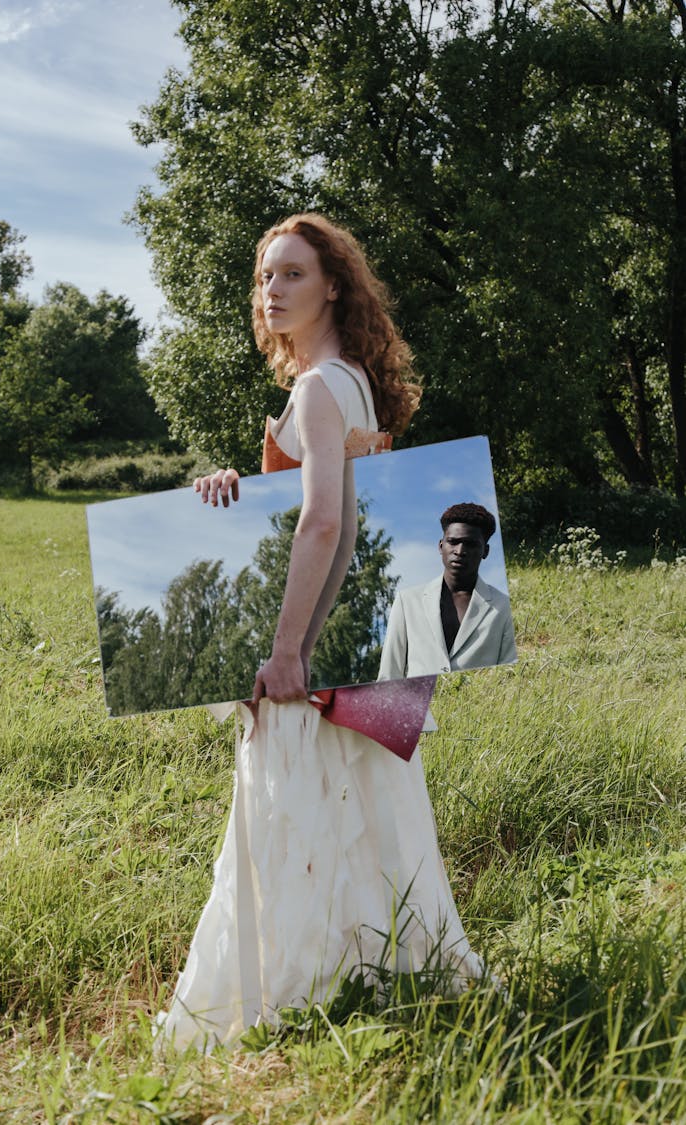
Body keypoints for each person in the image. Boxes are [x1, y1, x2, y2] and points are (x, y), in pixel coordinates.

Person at [156, 214, 489, 1053]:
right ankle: (379, 984)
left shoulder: (316, 387)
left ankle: (294, 999)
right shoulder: (349, 386)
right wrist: (236, 486)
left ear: (334, 284)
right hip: (369, 659)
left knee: (295, 829)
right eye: (266, 276)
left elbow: (322, 523)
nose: (272, 291)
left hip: (318, 657)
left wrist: (285, 652)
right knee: (370, 827)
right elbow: (310, 511)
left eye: (293, 275)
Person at [378, 502, 517, 680]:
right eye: (453, 542)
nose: (460, 551)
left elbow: (509, 678)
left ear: (486, 551)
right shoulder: (408, 601)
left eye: (471, 544)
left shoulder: (503, 607)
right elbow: (389, 675)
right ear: (441, 546)